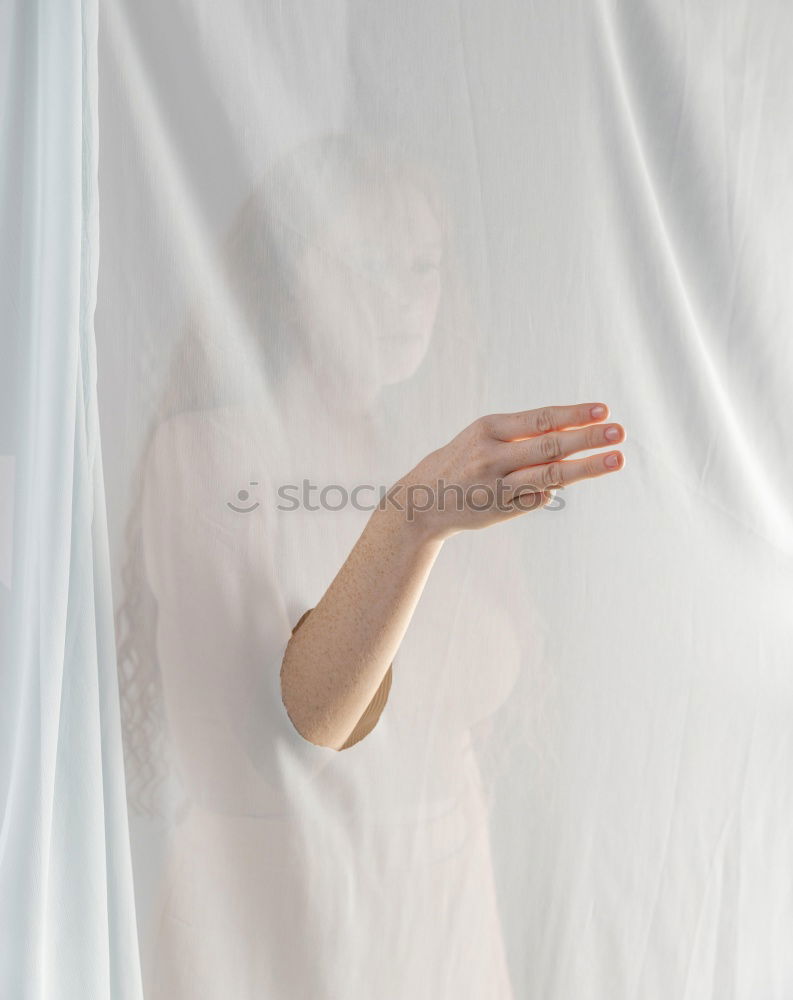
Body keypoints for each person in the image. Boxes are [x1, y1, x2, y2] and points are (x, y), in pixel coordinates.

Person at [116, 131, 626, 998]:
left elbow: (454, 721)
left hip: (439, 924)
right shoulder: (210, 458)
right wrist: (412, 520)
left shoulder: (434, 455)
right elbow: (273, 749)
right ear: (289, 280)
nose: (406, 301)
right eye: (369, 266)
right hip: (276, 936)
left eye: (423, 266)